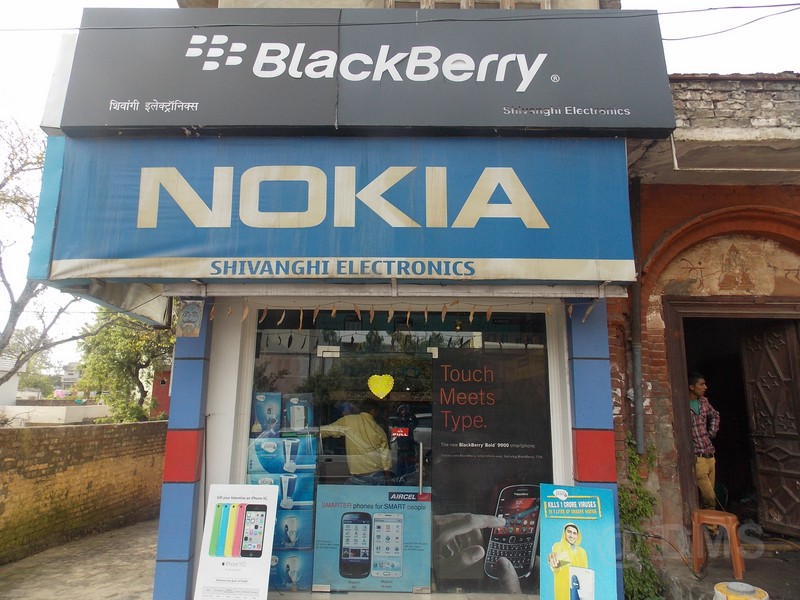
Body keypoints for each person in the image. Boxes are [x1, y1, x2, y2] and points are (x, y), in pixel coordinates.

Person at [320, 399, 393, 485]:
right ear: (373, 411)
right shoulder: (379, 430)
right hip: (376, 475)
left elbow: (326, 431)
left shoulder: (348, 420)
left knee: (345, 492)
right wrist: (388, 480)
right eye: (377, 412)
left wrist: (311, 432)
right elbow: (386, 459)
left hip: (357, 477)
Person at [689, 372, 720, 512]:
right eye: (701, 384)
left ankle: (708, 522)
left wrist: (711, 432)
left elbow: (715, 415)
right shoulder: (682, 404)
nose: (705, 387)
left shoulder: (704, 402)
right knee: (710, 496)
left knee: (708, 496)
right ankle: (711, 523)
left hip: (710, 455)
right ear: (691, 387)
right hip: (698, 457)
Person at [547, 523, 588, 600]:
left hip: (579, 590)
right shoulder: (558, 546)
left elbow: (585, 572)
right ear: (564, 533)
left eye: (574, 533)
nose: (571, 535)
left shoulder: (582, 552)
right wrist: (554, 561)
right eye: (569, 532)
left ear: (577, 536)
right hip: (564, 589)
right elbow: (556, 563)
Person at [393, 403, 419, 480]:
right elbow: (395, 431)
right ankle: (399, 481)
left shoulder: (410, 422)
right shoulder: (397, 421)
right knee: (400, 467)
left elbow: (415, 422)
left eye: (405, 411)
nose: (403, 412)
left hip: (410, 448)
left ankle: (410, 481)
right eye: (402, 411)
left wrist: (410, 414)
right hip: (401, 448)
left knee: (411, 468)